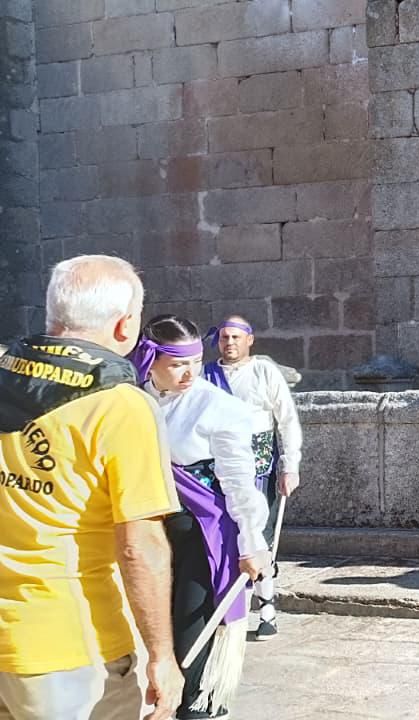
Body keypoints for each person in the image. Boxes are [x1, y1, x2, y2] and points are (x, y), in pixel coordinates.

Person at [0, 255, 184, 720]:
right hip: (68, 645)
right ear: (125, 327)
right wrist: (162, 656)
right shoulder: (120, 406)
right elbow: (140, 546)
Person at [133, 315, 272, 720]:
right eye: (177, 363)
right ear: (152, 359)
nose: (189, 371)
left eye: (195, 360)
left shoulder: (219, 408)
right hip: (145, 531)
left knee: (191, 641)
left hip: (200, 536)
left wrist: (252, 542)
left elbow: (240, 483)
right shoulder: (133, 401)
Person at [203, 315, 302, 640]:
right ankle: (229, 608)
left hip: (258, 466)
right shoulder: (206, 375)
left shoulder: (263, 371)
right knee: (226, 537)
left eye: (235, 337)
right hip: (219, 466)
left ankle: (268, 607)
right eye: (224, 338)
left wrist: (290, 465)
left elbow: (286, 419)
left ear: (249, 339)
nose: (229, 343)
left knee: (258, 535)